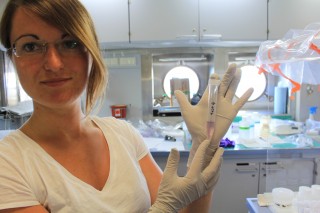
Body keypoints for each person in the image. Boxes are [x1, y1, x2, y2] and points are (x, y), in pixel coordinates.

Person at [0, 0, 253, 213]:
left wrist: (203, 149)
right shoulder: (8, 163)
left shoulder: (122, 134)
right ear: (12, 57)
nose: (53, 63)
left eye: (70, 43)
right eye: (31, 46)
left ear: (91, 51)